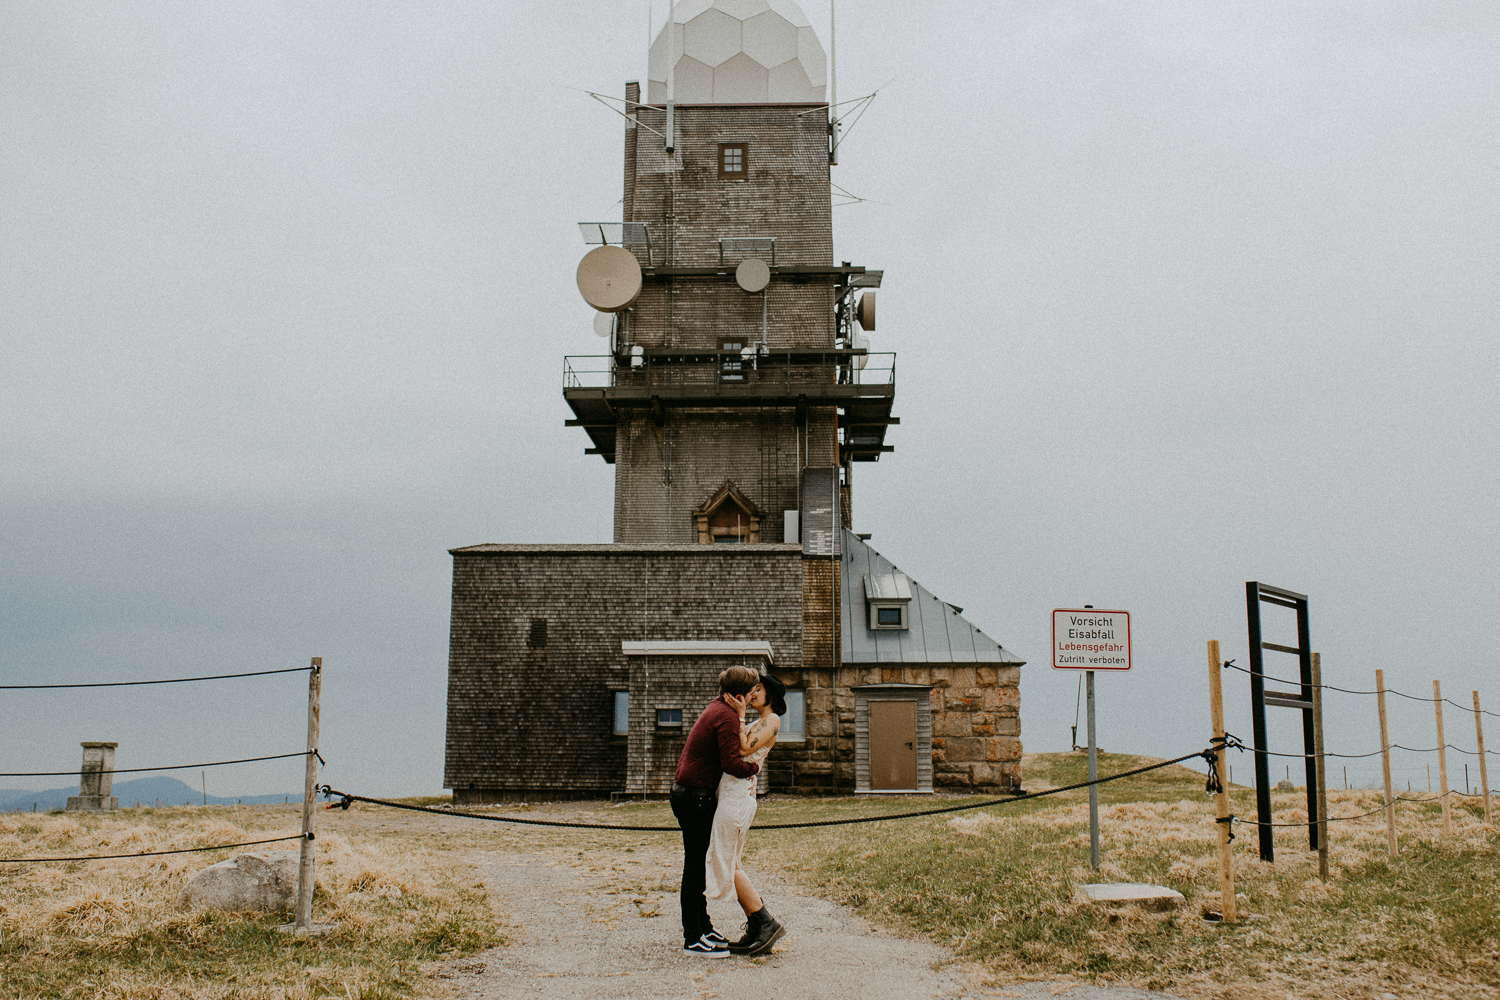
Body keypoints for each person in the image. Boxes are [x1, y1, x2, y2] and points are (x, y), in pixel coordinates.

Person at [671, 665, 762, 958]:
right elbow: (732, 763)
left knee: (698, 863)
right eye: (751, 694)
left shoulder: (717, 708)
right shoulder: (726, 717)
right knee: (695, 868)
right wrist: (755, 768)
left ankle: (704, 927)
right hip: (695, 798)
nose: (753, 699)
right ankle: (693, 937)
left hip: (689, 794)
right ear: (739, 696)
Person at [706, 672, 786, 956]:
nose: (752, 694)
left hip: (738, 799)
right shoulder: (759, 721)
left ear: (770, 696)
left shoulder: (772, 720)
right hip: (732, 796)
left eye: (758, 690)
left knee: (727, 862)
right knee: (730, 861)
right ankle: (756, 924)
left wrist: (739, 715)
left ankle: (766, 922)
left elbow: (742, 748)